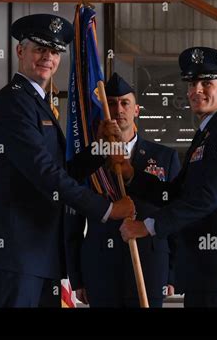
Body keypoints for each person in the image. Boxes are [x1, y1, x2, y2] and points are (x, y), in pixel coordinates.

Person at [0, 14, 134, 308]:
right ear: (20, 52)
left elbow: (62, 170)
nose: (48, 57)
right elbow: (46, 175)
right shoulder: (13, 104)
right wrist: (108, 209)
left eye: (55, 51)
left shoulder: (37, 103)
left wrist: (99, 148)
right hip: (18, 252)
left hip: (42, 251)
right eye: (39, 49)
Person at [118, 47, 217, 307]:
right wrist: (132, 176)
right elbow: (177, 194)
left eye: (207, 83)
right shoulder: (206, 135)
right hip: (202, 271)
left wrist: (147, 227)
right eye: (193, 83)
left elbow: (207, 198)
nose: (197, 90)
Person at [64, 73, 180, 307]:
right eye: (112, 103)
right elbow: (72, 222)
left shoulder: (165, 157)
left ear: (136, 109)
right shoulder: (88, 160)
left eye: (125, 103)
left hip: (150, 264)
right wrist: (76, 277)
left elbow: (177, 213)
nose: (118, 109)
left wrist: (173, 272)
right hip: (100, 267)